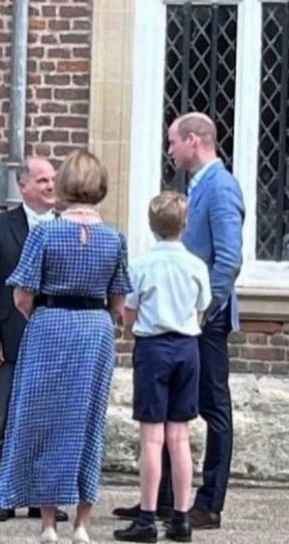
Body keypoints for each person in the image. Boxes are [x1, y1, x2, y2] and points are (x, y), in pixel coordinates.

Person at [0, 150, 132, 544]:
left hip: (50, 324)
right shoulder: (113, 238)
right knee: (87, 421)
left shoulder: (45, 233)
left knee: (43, 420)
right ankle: (83, 524)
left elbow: (22, 294)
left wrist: (41, 316)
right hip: (94, 329)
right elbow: (119, 303)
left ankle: (49, 523)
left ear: (66, 184)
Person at [113, 112, 245, 529]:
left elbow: (228, 259)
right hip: (188, 318)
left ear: (193, 140)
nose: (169, 150)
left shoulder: (220, 187)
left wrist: (203, 312)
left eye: (172, 142)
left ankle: (208, 501)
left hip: (201, 319)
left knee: (210, 405)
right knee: (171, 412)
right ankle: (164, 499)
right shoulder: (194, 186)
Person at [0, 156, 68, 524]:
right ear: (23, 186)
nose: (49, 186)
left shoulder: (66, 227)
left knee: (47, 421)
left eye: (53, 180)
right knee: (8, 419)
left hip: (53, 339)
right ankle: (4, 495)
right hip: (10, 337)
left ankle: (43, 498)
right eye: (42, 180)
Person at [113, 192, 211, 543]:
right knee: (180, 437)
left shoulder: (139, 265)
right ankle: (182, 518)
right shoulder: (197, 266)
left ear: (152, 226)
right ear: (185, 226)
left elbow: (129, 311)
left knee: (152, 439)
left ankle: (148, 517)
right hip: (187, 347)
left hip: (153, 348)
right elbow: (201, 310)